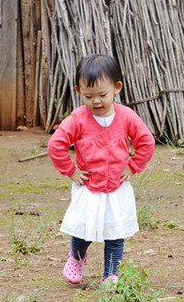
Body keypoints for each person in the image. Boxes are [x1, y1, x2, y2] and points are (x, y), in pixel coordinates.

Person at [48, 53, 155, 286]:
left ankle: (111, 275)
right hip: (89, 188)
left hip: (117, 188)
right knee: (84, 230)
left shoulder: (126, 116)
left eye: (102, 95)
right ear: (78, 91)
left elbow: (146, 141)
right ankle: (77, 257)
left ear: (117, 88)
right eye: (89, 96)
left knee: (115, 234)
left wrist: (134, 166)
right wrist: (70, 170)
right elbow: (56, 144)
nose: (96, 101)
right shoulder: (78, 118)